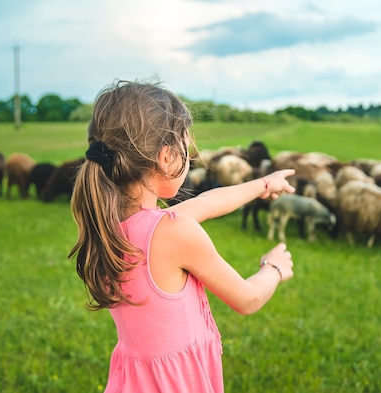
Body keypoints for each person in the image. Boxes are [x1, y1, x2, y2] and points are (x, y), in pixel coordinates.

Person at [69, 79, 296, 393]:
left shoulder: (111, 226)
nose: (190, 158)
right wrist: (274, 268)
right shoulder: (174, 233)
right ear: (166, 158)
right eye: (186, 149)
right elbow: (247, 298)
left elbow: (206, 203)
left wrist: (262, 185)